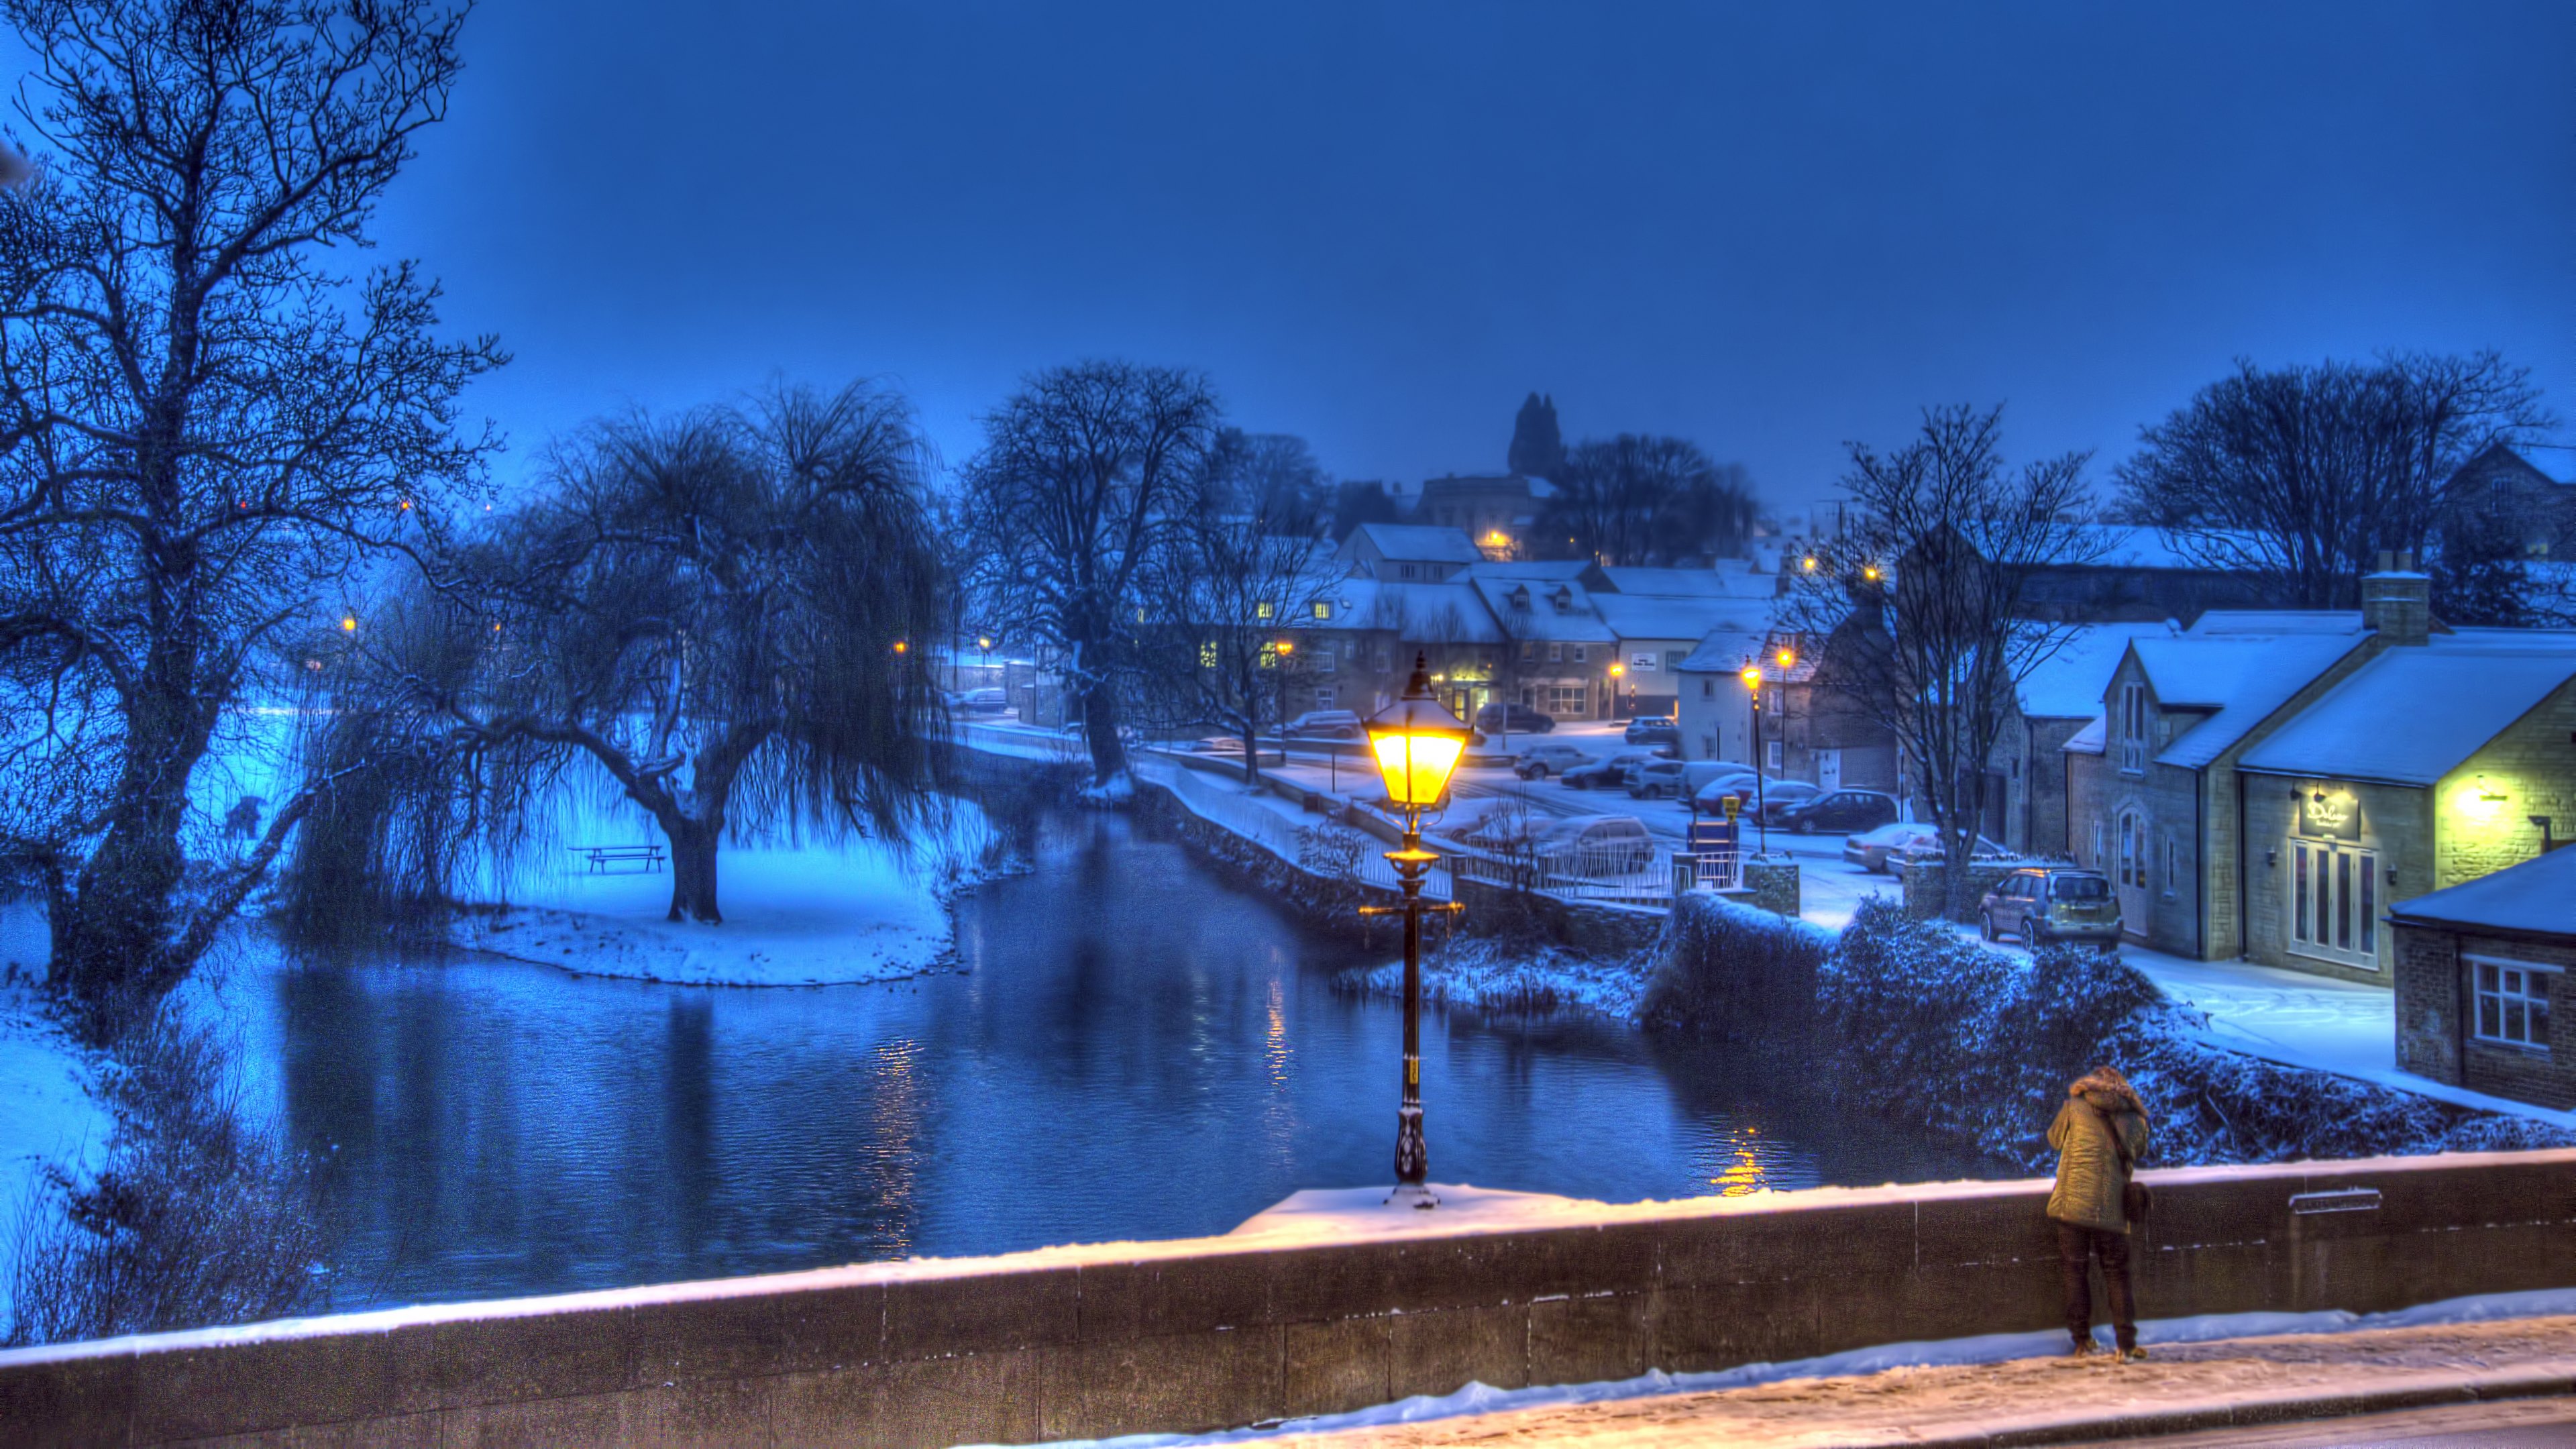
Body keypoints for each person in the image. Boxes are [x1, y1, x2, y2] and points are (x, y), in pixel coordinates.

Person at [2047, 1064, 2151, 1360]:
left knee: (2075, 1272)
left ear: (2090, 1085)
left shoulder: (2074, 1107)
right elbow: (2139, 1151)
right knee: (2117, 1275)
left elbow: (2054, 1140)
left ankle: (2082, 1341)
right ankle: (2126, 1346)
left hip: (2072, 1207)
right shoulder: (2135, 1118)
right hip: (2112, 1207)